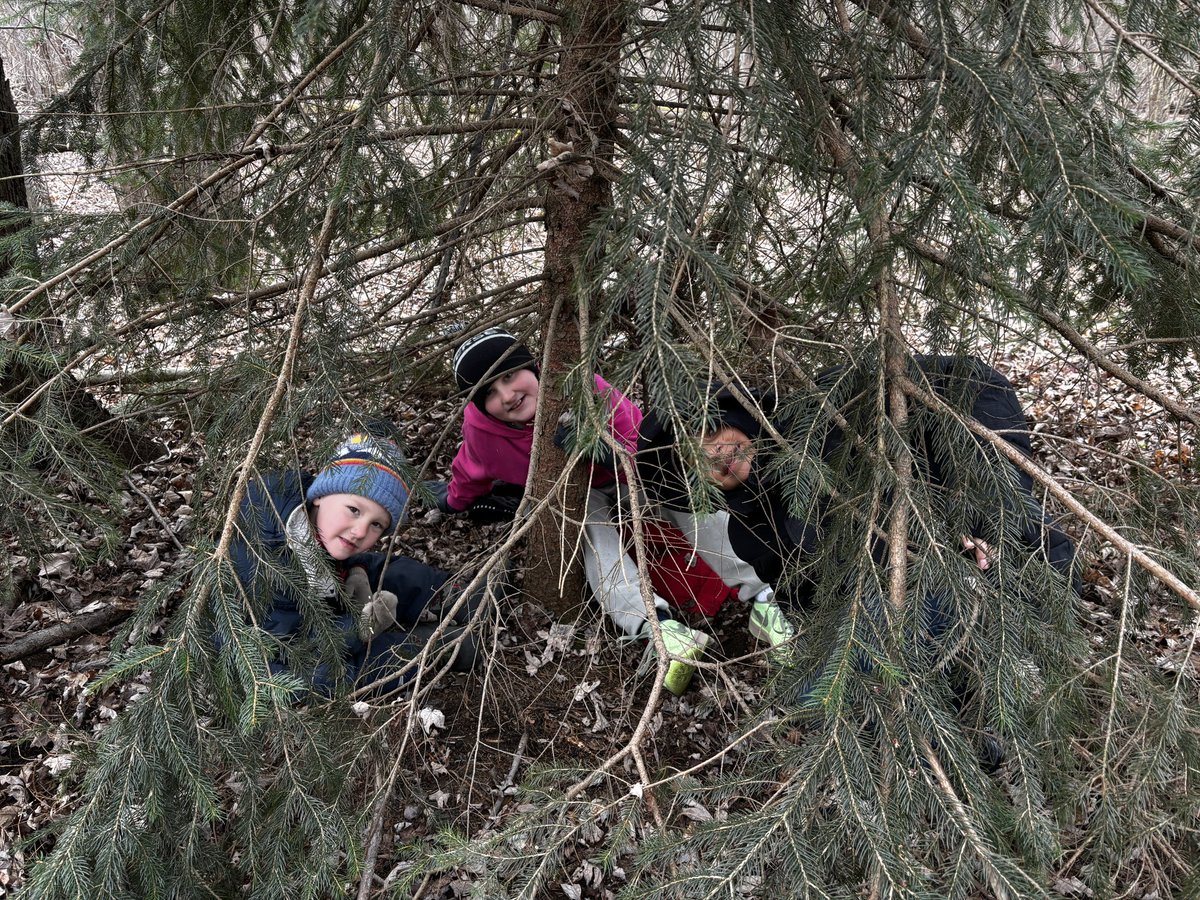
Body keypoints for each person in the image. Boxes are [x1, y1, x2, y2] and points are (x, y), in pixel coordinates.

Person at [637, 355, 1080, 662]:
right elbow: (809, 605)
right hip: (901, 608)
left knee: (1016, 553)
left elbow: (973, 385)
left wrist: (973, 515)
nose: (716, 455)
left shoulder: (827, 405)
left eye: (712, 433)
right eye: (696, 462)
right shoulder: (750, 532)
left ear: (734, 415)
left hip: (964, 527)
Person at [425, 327, 741, 694]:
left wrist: (602, 448)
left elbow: (642, 446)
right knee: (589, 533)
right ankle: (661, 631)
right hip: (578, 490)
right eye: (490, 394)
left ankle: (761, 594)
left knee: (684, 500)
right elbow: (471, 469)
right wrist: (451, 500)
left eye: (509, 375)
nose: (507, 395)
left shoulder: (583, 386)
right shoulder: (482, 430)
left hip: (632, 473)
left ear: (531, 365)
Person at [227, 431, 480, 697]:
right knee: (346, 671)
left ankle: (455, 593)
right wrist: (357, 631)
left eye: (376, 524)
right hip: (271, 666)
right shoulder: (270, 562)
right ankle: (433, 648)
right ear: (320, 495)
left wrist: (354, 569)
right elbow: (298, 650)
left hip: (314, 607)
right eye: (354, 510)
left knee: (375, 567)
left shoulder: (311, 521)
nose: (360, 531)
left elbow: (350, 557)